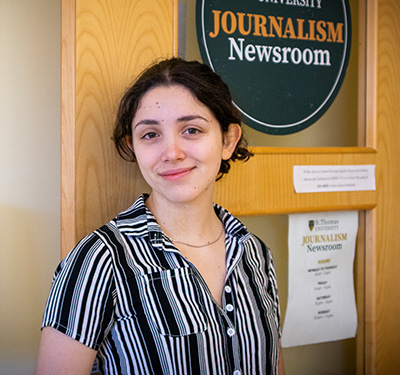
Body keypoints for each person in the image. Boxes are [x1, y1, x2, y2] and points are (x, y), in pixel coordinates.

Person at [35, 57, 285, 375]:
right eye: (150, 135)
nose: (172, 152)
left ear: (227, 141)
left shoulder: (256, 253)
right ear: (134, 147)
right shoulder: (99, 260)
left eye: (192, 130)